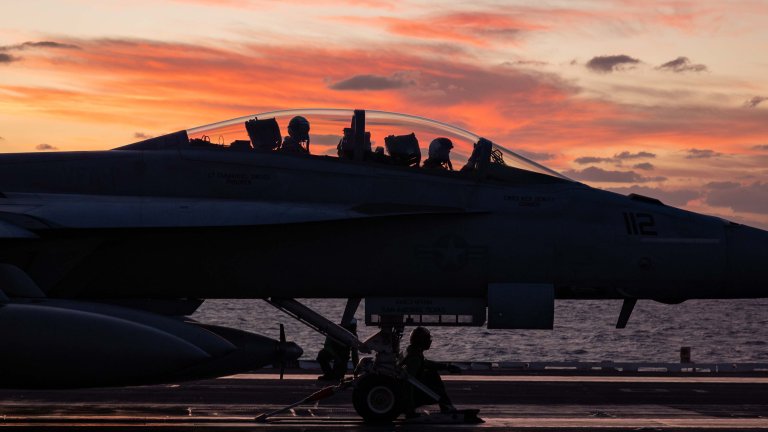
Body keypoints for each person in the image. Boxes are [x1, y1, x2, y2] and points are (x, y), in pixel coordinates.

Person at [400, 326, 461, 417]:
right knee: (436, 385)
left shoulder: (414, 352)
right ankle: (446, 406)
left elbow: (427, 363)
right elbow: (408, 384)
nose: (430, 341)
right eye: (427, 339)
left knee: (432, 372)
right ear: (421, 341)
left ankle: (446, 406)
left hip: (411, 395)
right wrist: (410, 410)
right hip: (410, 398)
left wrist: (447, 366)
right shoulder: (415, 359)